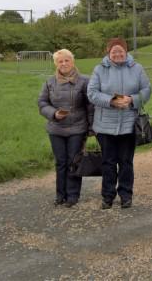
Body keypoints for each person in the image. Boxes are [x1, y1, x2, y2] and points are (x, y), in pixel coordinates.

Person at [88, 38, 151, 209]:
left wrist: (133, 99)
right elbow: (92, 93)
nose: (117, 54)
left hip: (129, 124)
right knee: (108, 162)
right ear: (108, 53)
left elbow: (146, 89)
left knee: (126, 161)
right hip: (105, 125)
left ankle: (125, 195)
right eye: (114, 51)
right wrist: (111, 101)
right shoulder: (99, 69)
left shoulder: (136, 68)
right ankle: (107, 196)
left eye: (120, 50)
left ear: (126, 51)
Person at [38, 49, 94, 208]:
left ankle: (73, 195)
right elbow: (42, 103)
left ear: (72, 61)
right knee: (60, 162)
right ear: (56, 64)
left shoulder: (84, 81)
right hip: (56, 128)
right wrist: (54, 114)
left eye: (66, 60)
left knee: (73, 161)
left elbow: (90, 106)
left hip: (77, 128)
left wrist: (91, 127)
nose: (63, 64)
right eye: (60, 61)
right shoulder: (49, 82)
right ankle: (60, 195)